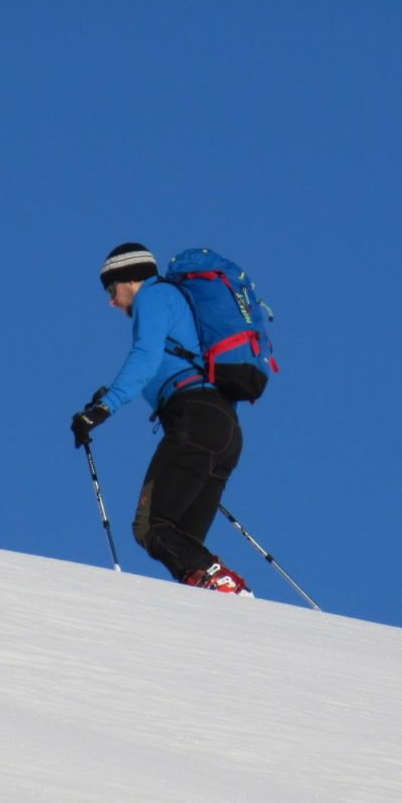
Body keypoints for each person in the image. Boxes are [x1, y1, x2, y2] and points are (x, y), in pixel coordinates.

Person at [71, 243, 251, 595]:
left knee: (151, 526)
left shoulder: (153, 297)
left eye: (112, 289)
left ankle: (221, 583)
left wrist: (103, 408)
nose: (111, 300)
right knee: (181, 541)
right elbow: (167, 365)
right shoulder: (179, 304)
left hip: (195, 419)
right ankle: (224, 596)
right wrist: (110, 391)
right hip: (223, 429)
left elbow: (145, 357)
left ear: (130, 280)